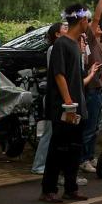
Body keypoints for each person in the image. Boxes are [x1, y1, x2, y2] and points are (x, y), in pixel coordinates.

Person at [40, 4, 99, 203]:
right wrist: (68, 102)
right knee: (58, 148)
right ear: (82, 21)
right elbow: (59, 74)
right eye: (87, 21)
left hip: (77, 105)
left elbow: (75, 78)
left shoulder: (75, 44)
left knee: (74, 148)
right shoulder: (61, 44)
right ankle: (48, 189)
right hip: (65, 107)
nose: (88, 25)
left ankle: (70, 188)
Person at [81, 0, 102, 174]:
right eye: (93, 25)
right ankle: (83, 159)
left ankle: (90, 157)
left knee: (96, 126)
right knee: (90, 126)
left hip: (100, 89)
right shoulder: (90, 41)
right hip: (92, 89)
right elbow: (98, 17)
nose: (98, 26)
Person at [31, 22, 66, 175]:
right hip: (54, 98)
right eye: (64, 28)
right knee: (49, 132)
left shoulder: (63, 48)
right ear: (57, 34)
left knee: (54, 133)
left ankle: (49, 164)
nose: (68, 29)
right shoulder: (54, 49)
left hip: (57, 97)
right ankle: (39, 165)